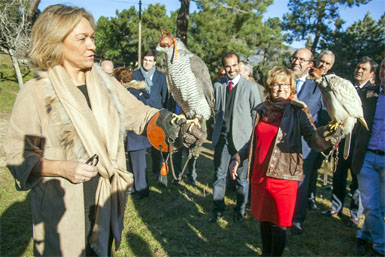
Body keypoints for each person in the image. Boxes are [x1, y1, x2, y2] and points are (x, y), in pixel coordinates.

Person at [4, 5, 201, 256]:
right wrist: (62, 167)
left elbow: (139, 114)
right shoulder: (36, 92)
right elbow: (19, 155)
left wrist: (174, 124)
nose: (92, 46)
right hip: (61, 206)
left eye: (93, 37)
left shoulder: (104, 83)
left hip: (103, 200)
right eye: (82, 39)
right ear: (56, 42)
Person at [229, 66, 341, 256]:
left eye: (285, 84)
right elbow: (254, 140)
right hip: (260, 174)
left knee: (279, 224)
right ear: (269, 87)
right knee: (264, 219)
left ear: (292, 88)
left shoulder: (298, 111)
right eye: (276, 84)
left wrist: (327, 135)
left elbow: (314, 140)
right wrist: (238, 157)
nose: (280, 88)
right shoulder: (262, 109)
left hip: (283, 177)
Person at [322, 56, 377, 228]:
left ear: (371, 73)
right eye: (357, 67)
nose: (359, 71)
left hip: (360, 141)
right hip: (343, 136)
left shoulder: (373, 93)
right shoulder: (344, 87)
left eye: (364, 69)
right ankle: (335, 207)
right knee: (338, 173)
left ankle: (354, 214)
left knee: (357, 178)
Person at [210, 52, 261, 223]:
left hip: (242, 142)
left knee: (242, 179)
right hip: (222, 139)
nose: (231, 69)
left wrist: (252, 141)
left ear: (239, 65)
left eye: (233, 65)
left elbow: (256, 117)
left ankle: (240, 211)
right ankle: (217, 209)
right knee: (219, 175)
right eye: (227, 66)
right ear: (223, 68)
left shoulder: (250, 87)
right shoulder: (218, 86)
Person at [290, 48, 328, 235]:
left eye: (302, 60)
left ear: (310, 65)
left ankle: (297, 218)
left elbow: (324, 117)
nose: (297, 62)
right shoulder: (283, 81)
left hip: (306, 144)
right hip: (282, 141)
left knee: (301, 182)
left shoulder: (318, 87)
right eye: (295, 58)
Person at [352, 57, 384, 257]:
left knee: (380, 206)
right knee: (371, 205)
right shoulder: (369, 94)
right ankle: (381, 247)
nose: (384, 72)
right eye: (382, 68)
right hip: (366, 158)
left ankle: (364, 234)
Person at [113, 67, 152, 200]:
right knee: (137, 164)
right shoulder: (139, 90)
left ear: (121, 81)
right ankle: (137, 187)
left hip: (136, 135)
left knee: (138, 165)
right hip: (139, 135)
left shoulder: (129, 93)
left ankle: (142, 190)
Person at [307, 50, 335, 211]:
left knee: (313, 168)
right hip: (304, 130)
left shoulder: (331, 84)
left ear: (331, 67)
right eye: (321, 61)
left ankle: (310, 197)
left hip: (320, 133)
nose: (323, 65)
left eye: (327, 63)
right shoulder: (307, 79)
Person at [133, 50, 168, 182]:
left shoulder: (160, 77)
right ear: (142, 61)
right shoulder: (135, 75)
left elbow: (165, 96)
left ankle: (157, 171)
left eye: (150, 61)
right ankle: (139, 176)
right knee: (138, 148)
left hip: (156, 116)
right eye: (145, 60)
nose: (147, 63)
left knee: (156, 147)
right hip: (139, 116)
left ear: (154, 63)